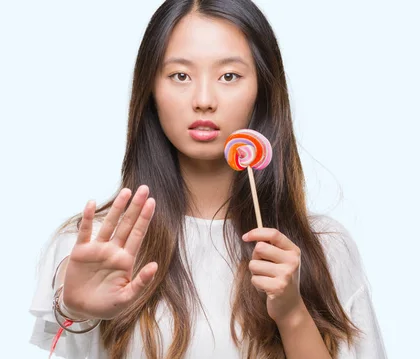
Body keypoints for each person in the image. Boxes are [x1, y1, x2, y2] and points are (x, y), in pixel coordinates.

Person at [28, 0, 387, 358]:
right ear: (150, 90)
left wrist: (292, 314)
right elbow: (66, 333)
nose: (203, 100)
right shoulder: (94, 245)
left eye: (229, 76)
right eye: (180, 75)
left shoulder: (324, 248)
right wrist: (72, 310)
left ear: (262, 88)